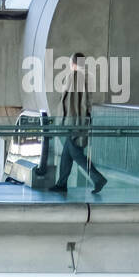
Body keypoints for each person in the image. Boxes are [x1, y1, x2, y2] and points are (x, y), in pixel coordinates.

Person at [50, 53, 107, 195]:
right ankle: (61, 183)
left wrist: (66, 122)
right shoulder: (85, 77)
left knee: (75, 153)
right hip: (78, 121)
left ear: (73, 63)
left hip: (74, 122)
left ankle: (97, 178)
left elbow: (71, 103)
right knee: (67, 154)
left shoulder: (75, 76)